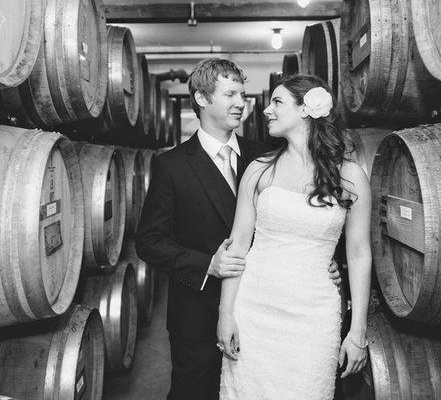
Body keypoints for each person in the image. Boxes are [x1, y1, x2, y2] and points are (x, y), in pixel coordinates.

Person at [135, 59, 341, 400]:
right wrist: (208, 264)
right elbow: (149, 242)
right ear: (201, 99)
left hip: (264, 311)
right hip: (198, 314)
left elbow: (304, 217)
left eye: (242, 94)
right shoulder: (171, 166)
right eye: (230, 94)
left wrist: (321, 262)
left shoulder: (267, 156)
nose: (240, 102)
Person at [217, 74, 372, 400]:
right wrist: (225, 313)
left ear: (306, 109)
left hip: (314, 316)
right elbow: (238, 246)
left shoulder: (351, 175)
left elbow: (358, 253)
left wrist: (357, 330)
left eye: (277, 102)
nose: (266, 111)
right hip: (254, 310)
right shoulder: (258, 169)